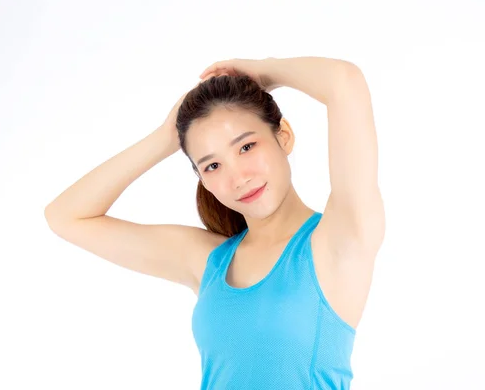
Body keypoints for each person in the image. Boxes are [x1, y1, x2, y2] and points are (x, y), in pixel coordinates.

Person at [44, 56, 385, 389]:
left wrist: (264, 73)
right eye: (211, 166)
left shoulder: (339, 240)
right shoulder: (210, 260)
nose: (238, 177)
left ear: (283, 136)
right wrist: (166, 137)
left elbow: (344, 81)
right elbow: (66, 216)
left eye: (246, 146)